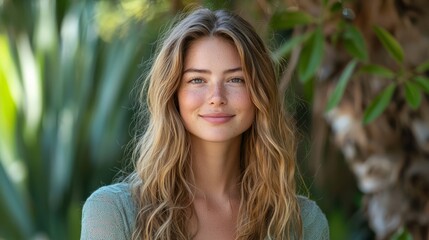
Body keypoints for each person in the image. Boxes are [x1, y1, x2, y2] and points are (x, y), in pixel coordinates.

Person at [81, 8, 329, 240]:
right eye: (197, 79)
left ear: (259, 93)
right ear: (173, 93)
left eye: (235, 79)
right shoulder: (113, 212)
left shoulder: (302, 223)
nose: (217, 98)